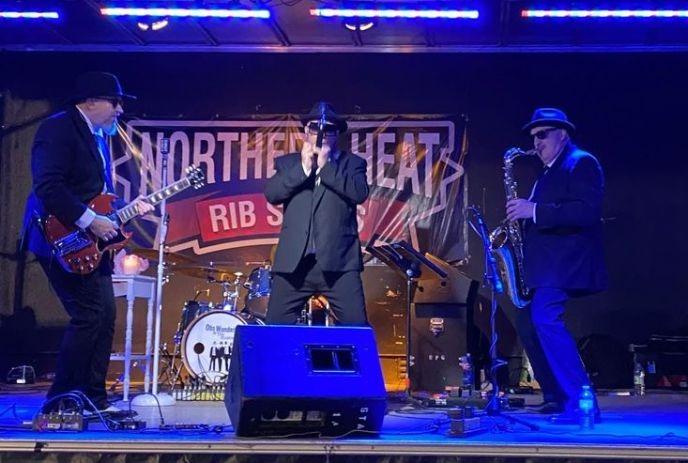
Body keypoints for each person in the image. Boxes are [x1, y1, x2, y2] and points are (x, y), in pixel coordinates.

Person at [24, 71, 154, 414]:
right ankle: (60, 400)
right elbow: (48, 187)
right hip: (57, 239)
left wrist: (118, 217)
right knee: (88, 315)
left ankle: (94, 398)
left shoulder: (97, 136)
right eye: (115, 102)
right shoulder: (58, 128)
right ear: (91, 101)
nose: (119, 110)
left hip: (85, 241)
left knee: (104, 314)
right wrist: (90, 221)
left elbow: (93, 197)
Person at [506, 107, 607, 424]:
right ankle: (555, 396)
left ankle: (581, 401)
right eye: (533, 137)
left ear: (563, 133)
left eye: (542, 135)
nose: (536, 143)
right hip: (545, 265)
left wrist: (532, 210)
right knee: (527, 322)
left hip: (564, 263)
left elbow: (585, 212)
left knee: (545, 318)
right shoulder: (549, 171)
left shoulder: (581, 162)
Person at [264, 102, 369, 325]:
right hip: (295, 266)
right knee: (274, 329)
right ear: (305, 131)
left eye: (328, 129)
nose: (321, 133)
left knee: (358, 329)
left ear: (336, 134)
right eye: (315, 127)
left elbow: (359, 193)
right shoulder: (288, 164)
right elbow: (272, 193)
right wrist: (304, 167)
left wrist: (326, 167)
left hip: (338, 265)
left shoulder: (352, 164)